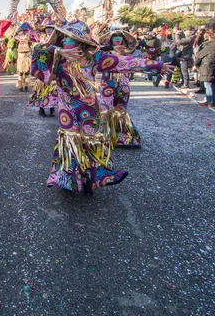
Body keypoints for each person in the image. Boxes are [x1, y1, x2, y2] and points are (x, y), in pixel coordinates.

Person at [31, 19, 172, 194]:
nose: (64, 41)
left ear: (80, 42)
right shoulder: (57, 58)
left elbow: (124, 62)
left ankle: (94, 179)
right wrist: (58, 51)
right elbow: (38, 50)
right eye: (64, 38)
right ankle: (68, 179)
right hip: (66, 110)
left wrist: (157, 65)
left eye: (68, 39)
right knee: (70, 141)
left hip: (89, 110)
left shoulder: (95, 58)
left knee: (92, 142)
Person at [98, 28, 143, 147]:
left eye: (119, 39)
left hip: (113, 83)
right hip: (113, 83)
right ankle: (116, 137)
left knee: (113, 109)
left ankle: (110, 138)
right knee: (113, 110)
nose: (117, 41)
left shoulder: (108, 53)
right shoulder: (107, 52)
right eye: (115, 38)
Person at [28, 18, 58, 117]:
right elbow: (35, 55)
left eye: (51, 29)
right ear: (44, 30)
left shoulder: (57, 41)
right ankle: (41, 108)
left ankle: (52, 107)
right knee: (41, 89)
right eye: (47, 29)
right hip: (42, 68)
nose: (49, 31)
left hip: (52, 68)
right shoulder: (40, 41)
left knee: (52, 88)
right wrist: (35, 68)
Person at [193, 31, 215, 107]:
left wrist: (195, 64)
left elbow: (200, 55)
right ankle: (214, 101)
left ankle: (209, 100)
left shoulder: (210, 45)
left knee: (208, 84)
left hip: (208, 66)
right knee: (214, 84)